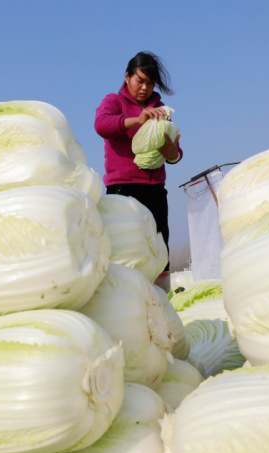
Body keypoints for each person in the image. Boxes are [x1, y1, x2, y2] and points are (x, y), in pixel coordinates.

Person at [94, 51, 182, 293]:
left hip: (155, 190)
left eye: (150, 83)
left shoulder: (161, 108)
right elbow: (101, 125)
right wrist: (137, 120)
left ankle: (163, 301)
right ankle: (126, 298)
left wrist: (171, 152)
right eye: (140, 80)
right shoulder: (114, 101)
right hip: (123, 189)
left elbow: (176, 155)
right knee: (127, 250)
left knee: (159, 249)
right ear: (127, 77)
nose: (144, 88)